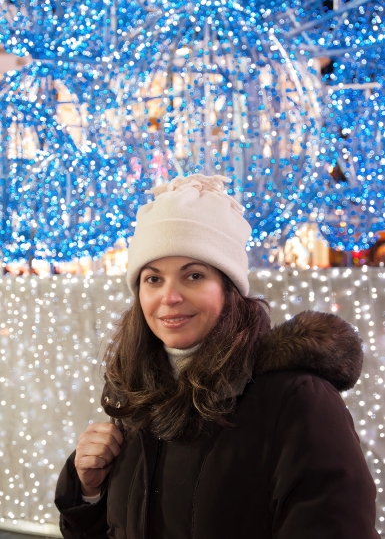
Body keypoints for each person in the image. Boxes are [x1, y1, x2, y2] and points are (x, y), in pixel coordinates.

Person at [55, 174, 380, 539]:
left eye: (193, 275)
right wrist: (89, 491)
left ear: (228, 289)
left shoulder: (296, 400)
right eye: (153, 279)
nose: (170, 297)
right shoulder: (138, 395)